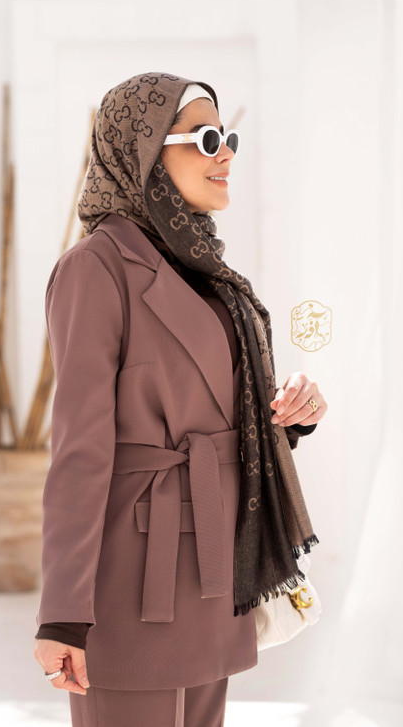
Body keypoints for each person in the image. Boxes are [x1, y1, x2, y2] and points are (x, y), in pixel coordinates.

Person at [33, 72, 327, 727]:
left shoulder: (205, 270)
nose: (226, 155)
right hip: (137, 577)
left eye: (228, 138)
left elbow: (216, 413)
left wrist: (286, 419)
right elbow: (80, 452)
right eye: (205, 139)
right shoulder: (95, 268)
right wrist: (62, 615)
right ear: (141, 151)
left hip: (216, 566)